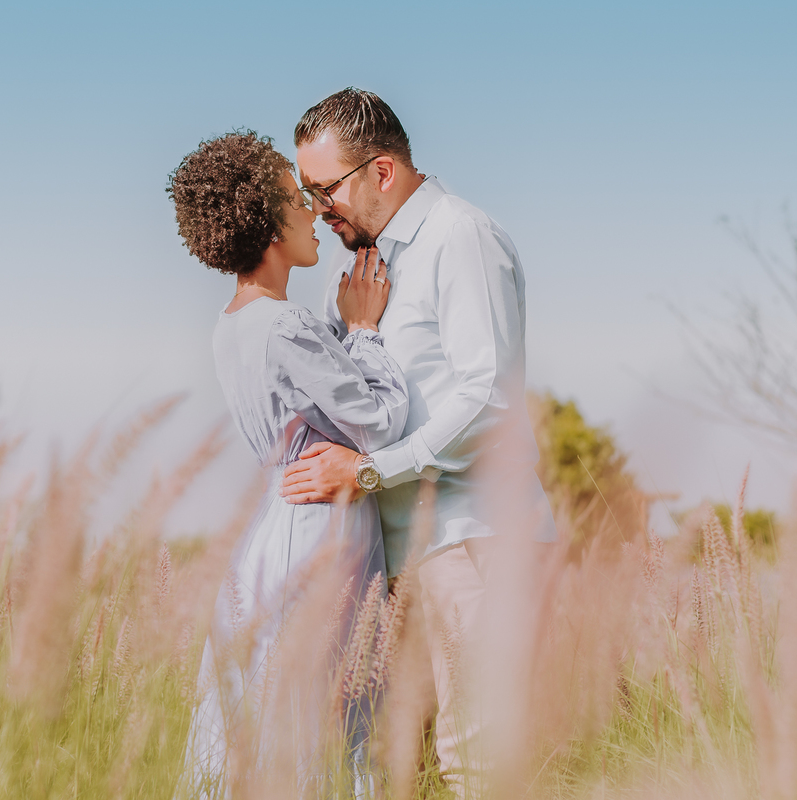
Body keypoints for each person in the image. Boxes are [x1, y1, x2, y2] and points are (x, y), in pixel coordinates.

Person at [282, 88, 558, 795]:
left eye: (325, 189)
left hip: (471, 544)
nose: (317, 208)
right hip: (392, 559)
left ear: (382, 171)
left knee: (478, 769)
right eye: (307, 193)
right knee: (403, 770)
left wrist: (369, 473)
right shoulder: (356, 269)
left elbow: (487, 399)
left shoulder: (461, 237)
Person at [167, 130, 409, 797]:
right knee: (323, 718)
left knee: (270, 715)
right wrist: (364, 330)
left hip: (275, 529)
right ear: (270, 224)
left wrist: (339, 333)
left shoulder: (234, 324)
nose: (313, 210)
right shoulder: (283, 325)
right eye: (298, 199)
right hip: (319, 532)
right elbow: (378, 421)